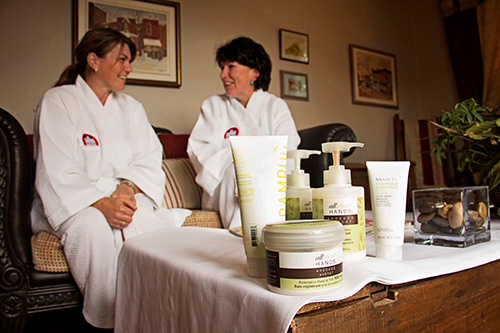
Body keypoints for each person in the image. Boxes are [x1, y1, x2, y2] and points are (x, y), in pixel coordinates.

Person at [30, 28, 190, 329]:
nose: (128, 68)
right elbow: (57, 168)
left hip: (123, 194)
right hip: (75, 201)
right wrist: (102, 204)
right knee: (91, 227)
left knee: (143, 218)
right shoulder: (58, 101)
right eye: (122, 59)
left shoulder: (132, 108)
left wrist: (126, 189)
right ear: (93, 60)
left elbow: (147, 157)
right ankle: (106, 320)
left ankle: (157, 314)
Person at [187, 37, 301, 229]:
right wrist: (243, 165)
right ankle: (242, 242)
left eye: (231, 66)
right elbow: (200, 149)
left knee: (251, 178)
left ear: (254, 73)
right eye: (222, 68)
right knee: (236, 172)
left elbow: (288, 152)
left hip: (270, 187)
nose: (223, 75)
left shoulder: (275, 107)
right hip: (225, 190)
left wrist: (255, 170)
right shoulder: (213, 106)